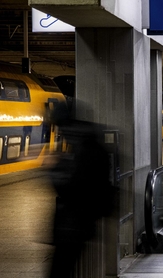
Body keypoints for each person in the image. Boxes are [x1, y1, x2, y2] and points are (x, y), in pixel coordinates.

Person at [47, 103, 115, 277]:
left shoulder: (81, 147)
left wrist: (55, 169)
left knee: (60, 271)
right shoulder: (93, 143)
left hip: (73, 223)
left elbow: (72, 188)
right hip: (85, 222)